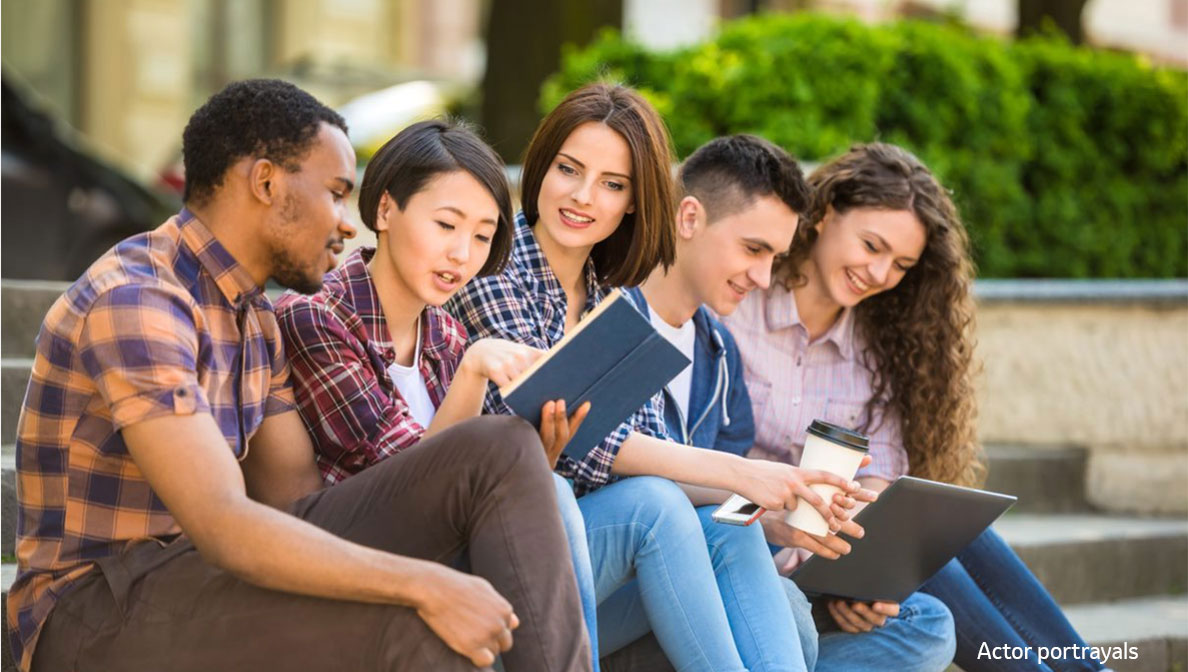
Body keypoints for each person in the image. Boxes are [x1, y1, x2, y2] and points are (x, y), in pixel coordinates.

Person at [7, 79, 590, 672]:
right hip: (95, 610)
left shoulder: (256, 321)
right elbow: (223, 521)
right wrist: (423, 584)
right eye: (336, 194)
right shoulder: (140, 299)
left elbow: (300, 505)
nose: (345, 224)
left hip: (204, 584)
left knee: (501, 447)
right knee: (416, 629)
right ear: (267, 184)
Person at [449, 82, 860, 672]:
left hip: (587, 563)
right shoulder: (494, 268)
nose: (583, 197)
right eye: (568, 169)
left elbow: (647, 446)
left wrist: (769, 506)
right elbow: (589, 446)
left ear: (635, 202)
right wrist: (745, 473)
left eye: (612, 184)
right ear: (540, 167)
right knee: (655, 504)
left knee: (733, 531)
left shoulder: (609, 297)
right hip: (499, 554)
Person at [722, 142, 1110, 672]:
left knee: (946, 539)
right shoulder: (738, 303)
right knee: (932, 565)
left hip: (827, 557)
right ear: (825, 214)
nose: (880, 273)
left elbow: (880, 483)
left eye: (901, 264)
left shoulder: (880, 347)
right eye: (871, 245)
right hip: (748, 541)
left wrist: (875, 568)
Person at [612, 134, 956, 672]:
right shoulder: (632, 314)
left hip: (736, 547)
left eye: (773, 257)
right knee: (789, 612)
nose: (764, 276)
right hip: (637, 570)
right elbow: (622, 479)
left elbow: (722, 504)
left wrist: (775, 515)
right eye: (754, 251)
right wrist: (762, 497)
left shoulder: (715, 351)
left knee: (931, 623)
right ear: (688, 219)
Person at [274, 118, 603, 669]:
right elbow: (410, 484)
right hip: (349, 563)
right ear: (384, 211)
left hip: (443, 560)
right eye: (447, 225)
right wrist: (475, 375)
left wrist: (537, 456)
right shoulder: (314, 317)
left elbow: (464, 484)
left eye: (481, 235)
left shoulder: (445, 333)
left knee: (584, 496)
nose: (462, 254)